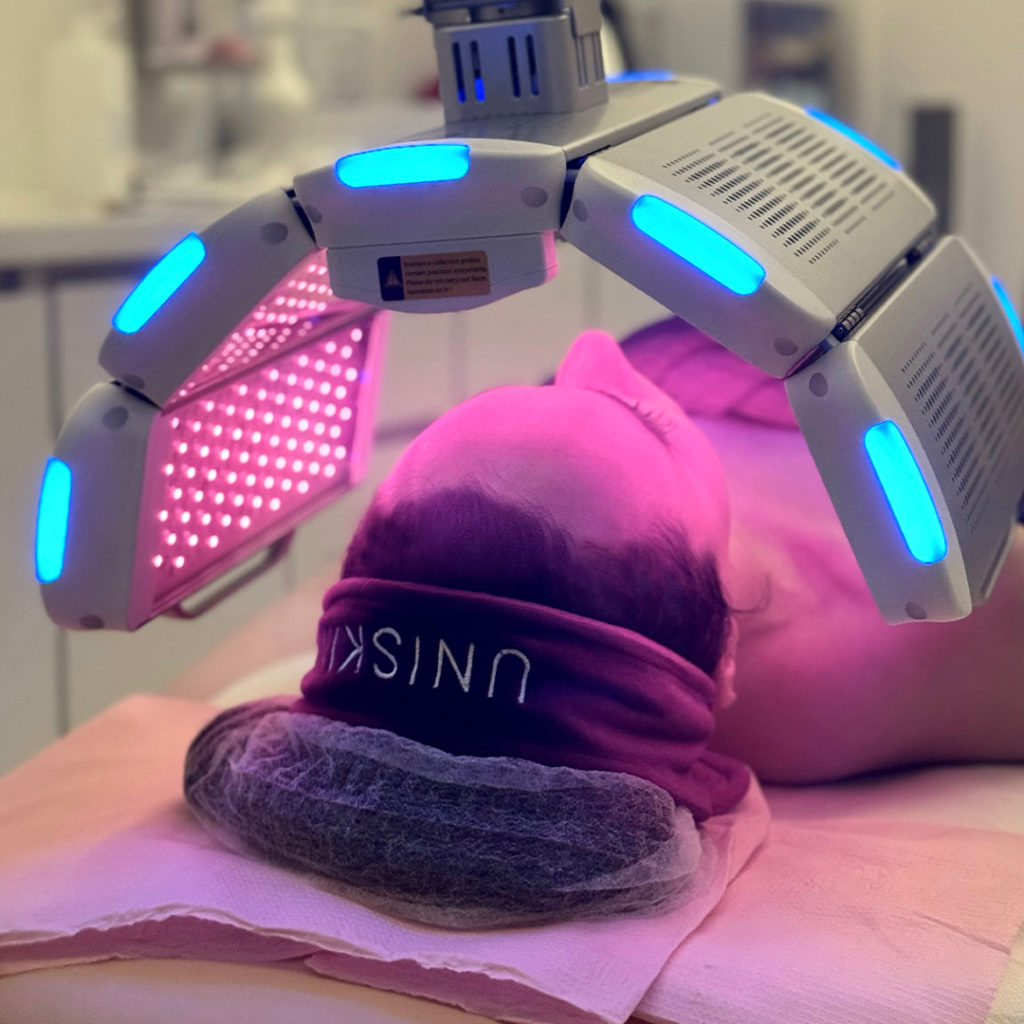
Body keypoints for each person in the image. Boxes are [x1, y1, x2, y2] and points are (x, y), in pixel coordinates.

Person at [185, 318, 1024, 926]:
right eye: (642, 424)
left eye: (534, 403)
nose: (591, 350)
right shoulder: (857, 655)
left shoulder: (605, 553)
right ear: (724, 658)